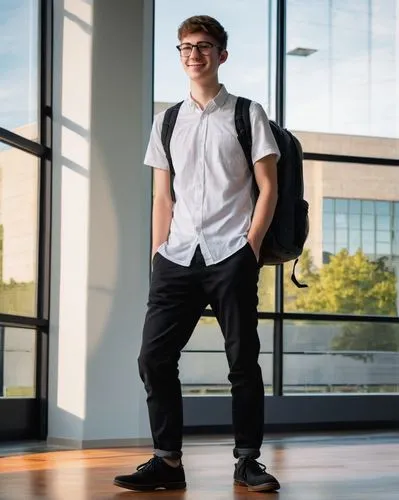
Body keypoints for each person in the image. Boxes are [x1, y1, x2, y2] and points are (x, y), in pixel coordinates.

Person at [114, 15, 281, 493]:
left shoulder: (248, 114)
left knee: (242, 362)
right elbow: (162, 196)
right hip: (178, 256)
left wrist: (250, 247)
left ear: (221, 55)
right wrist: (157, 253)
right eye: (185, 47)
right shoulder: (166, 121)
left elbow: (267, 186)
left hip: (232, 252)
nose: (193, 54)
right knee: (153, 358)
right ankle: (168, 462)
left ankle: (247, 461)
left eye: (204, 46)